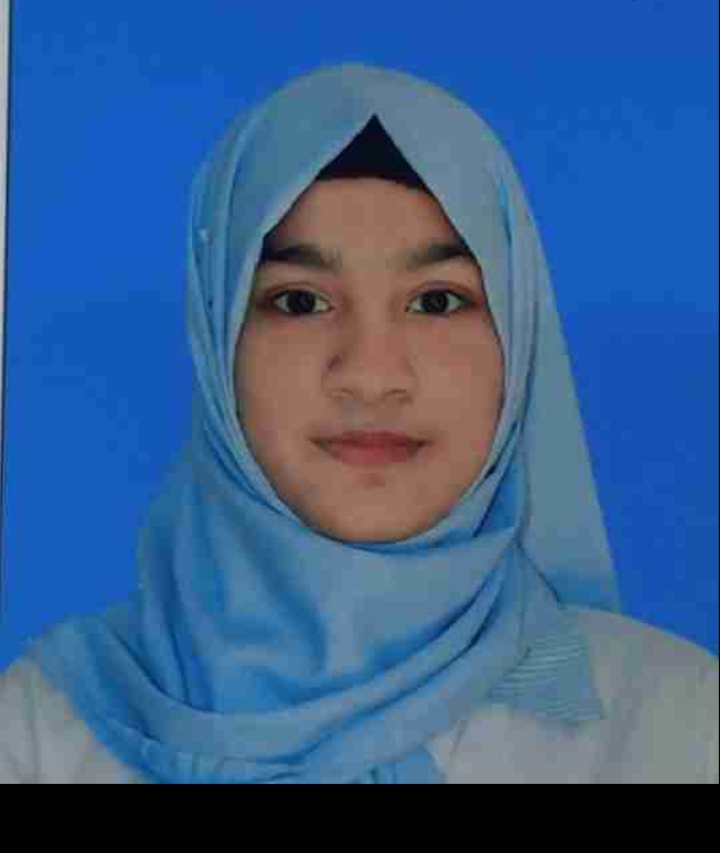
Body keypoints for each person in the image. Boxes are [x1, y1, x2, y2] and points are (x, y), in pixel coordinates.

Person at [1, 63, 717, 783]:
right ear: (217, 345)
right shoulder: (40, 732)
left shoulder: (672, 728)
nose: (371, 375)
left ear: (517, 338)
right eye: (299, 302)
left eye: (436, 301)